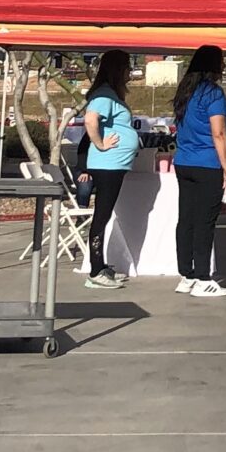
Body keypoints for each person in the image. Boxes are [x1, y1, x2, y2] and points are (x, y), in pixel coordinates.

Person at [170, 44, 226, 297]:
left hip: (183, 160)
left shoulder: (185, 91)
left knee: (186, 218)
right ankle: (203, 277)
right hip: (207, 162)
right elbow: (219, 132)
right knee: (205, 221)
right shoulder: (213, 93)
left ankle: (187, 274)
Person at [80, 50, 141, 289]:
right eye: (127, 67)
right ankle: (96, 271)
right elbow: (90, 119)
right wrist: (100, 143)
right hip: (107, 164)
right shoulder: (105, 94)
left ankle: (101, 265)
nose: (130, 72)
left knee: (104, 215)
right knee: (101, 216)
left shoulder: (111, 94)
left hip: (114, 164)